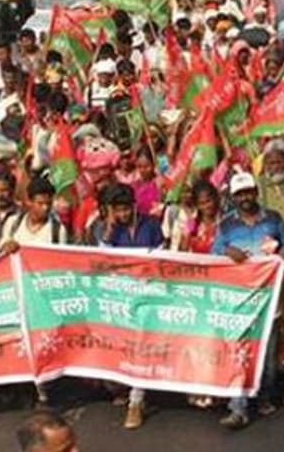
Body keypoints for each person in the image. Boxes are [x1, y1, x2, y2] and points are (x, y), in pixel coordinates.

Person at [215, 172, 284, 430]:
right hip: (240, 300)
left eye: (248, 192)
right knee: (239, 354)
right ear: (233, 197)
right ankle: (238, 408)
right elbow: (214, 254)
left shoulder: (273, 219)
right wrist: (227, 251)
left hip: (270, 298)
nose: (245, 198)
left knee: (267, 357)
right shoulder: (226, 225)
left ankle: (263, 396)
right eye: (239, 194)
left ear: (256, 192)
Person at [97, 182, 163, 428]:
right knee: (122, 345)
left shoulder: (151, 225)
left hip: (147, 294)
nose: (123, 214)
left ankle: (136, 402)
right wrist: (109, 228)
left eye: (126, 209)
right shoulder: (107, 229)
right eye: (118, 210)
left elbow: (162, 255)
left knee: (141, 344)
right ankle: (125, 387)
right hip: (121, 296)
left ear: (134, 206)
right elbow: (102, 259)